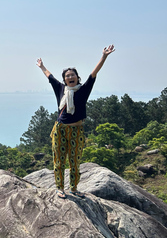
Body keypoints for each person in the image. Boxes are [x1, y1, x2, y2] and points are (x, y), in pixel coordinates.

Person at [36, 45, 115, 199]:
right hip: (60, 129)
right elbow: (49, 76)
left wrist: (104, 56)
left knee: (74, 161)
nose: (70, 77)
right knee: (58, 161)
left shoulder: (84, 89)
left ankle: (74, 188)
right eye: (67, 76)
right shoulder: (60, 89)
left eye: (72, 75)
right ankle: (60, 188)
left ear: (77, 78)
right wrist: (42, 66)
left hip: (77, 131)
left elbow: (94, 73)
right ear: (64, 79)